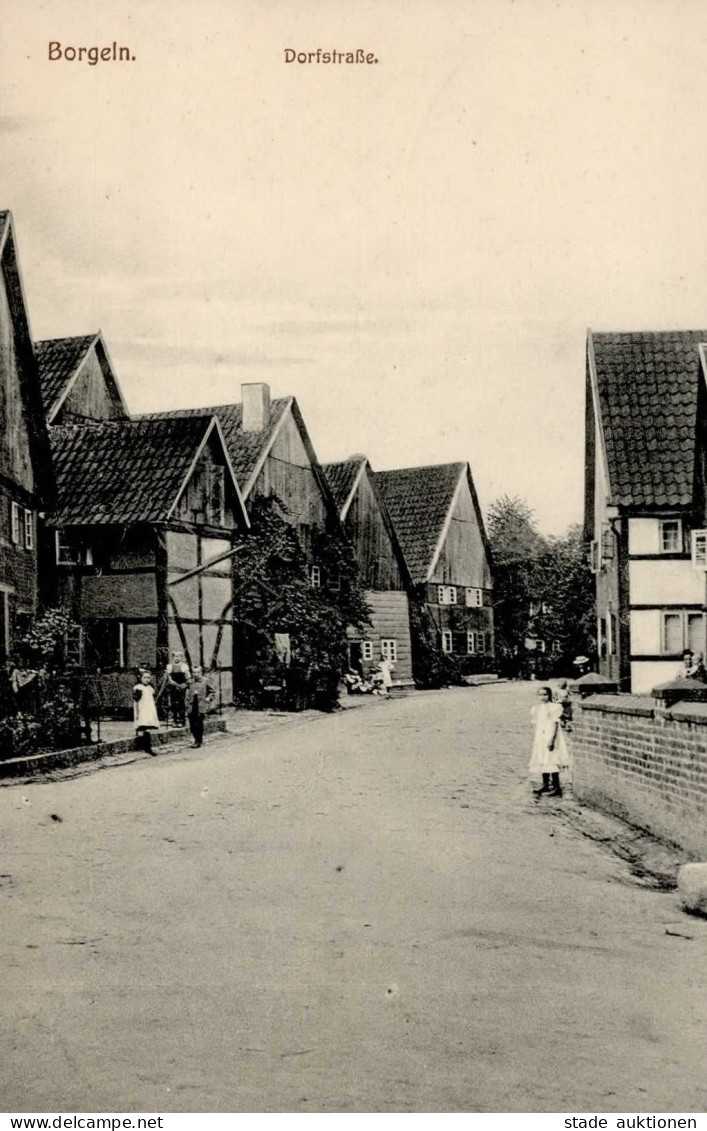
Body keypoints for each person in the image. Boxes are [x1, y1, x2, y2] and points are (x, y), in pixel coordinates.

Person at [529, 686, 570, 798]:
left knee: (552, 759)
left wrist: (551, 739)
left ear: (550, 695)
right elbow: (536, 725)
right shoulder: (536, 709)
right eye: (540, 695)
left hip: (550, 735)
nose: (543, 697)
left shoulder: (554, 707)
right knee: (542, 758)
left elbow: (555, 724)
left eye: (545, 694)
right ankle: (546, 784)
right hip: (540, 737)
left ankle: (557, 787)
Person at [186, 665, 214, 748]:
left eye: (198, 672)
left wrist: (209, 698)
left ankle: (198, 741)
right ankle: (196, 739)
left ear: (201, 672)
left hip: (200, 705)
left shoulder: (205, 681)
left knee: (199, 723)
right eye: (194, 672)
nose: (196, 674)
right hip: (191, 705)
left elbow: (212, 692)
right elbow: (184, 689)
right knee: (192, 724)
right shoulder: (190, 682)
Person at [133, 670, 160, 754]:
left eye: (148, 677)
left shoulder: (150, 688)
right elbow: (136, 700)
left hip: (149, 708)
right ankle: (147, 747)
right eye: (145, 677)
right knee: (145, 726)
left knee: (148, 727)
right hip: (142, 709)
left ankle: (147, 746)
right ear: (140, 678)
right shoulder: (138, 687)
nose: (147, 679)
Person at [165, 651, 191, 726]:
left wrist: (185, 684)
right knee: (173, 702)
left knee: (181, 703)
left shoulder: (184, 666)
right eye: (175, 656)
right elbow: (169, 677)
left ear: (181, 658)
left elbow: (188, 677)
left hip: (182, 686)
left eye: (178, 656)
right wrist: (173, 683)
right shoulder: (170, 666)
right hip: (173, 686)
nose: (177, 658)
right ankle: (175, 719)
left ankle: (182, 720)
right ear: (173, 658)